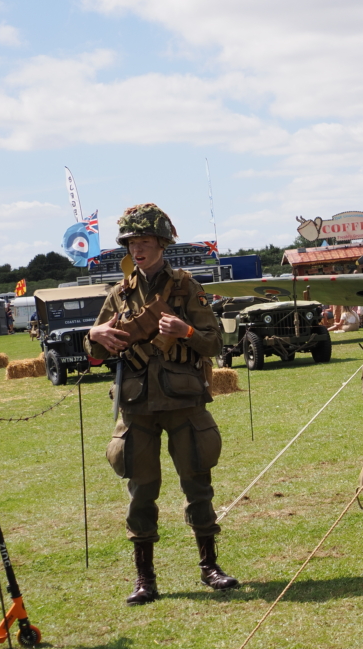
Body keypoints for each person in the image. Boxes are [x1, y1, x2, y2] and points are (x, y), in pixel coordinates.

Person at [87, 204, 238, 606]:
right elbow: (94, 349)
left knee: (197, 485)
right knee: (141, 492)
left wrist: (186, 330)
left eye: (146, 242)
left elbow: (215, 343)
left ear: (161, 244)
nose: (139, 249)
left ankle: (210, 567)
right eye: (133, 243)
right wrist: (96, 333)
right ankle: (145, 580)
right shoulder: (118, 294)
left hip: (184, 401)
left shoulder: (186, 287)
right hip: (136, 405)